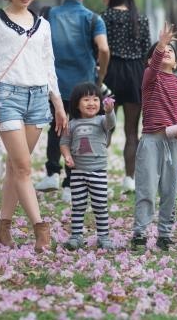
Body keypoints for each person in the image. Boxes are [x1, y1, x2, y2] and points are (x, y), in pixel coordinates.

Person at [0, 0, 67, 252]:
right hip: (7, 99)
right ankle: (41, 229)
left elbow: (49, 65)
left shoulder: (44, 25)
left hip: (38, 99)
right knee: (24, 167)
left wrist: (57, 102)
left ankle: (2, 229)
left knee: (15, 168)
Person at [34, 0, 109, 202]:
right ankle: (70, 184)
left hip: (53, 83)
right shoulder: (93, 18)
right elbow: (104, 49)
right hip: (83, 84)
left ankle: (52, 174)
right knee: (78, 131)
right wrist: (99, 78)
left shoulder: (47, 14)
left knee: (56, 127)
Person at [132, 21, 177, 251]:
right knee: (146, 189)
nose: (166, 52)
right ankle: (140, 233)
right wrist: (162, 43)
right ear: (150, 61)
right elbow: (155, 63)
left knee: (170, 190)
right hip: (150, 142)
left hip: (172, 143)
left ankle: (165, 234)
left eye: (170, 51)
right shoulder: (150, 78)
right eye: (161, 50)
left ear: (176, 63)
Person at [100, 0, 151, 194]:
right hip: (135, 75)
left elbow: (100, 49)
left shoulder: (103, 18)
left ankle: (98, 178)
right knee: (132, 131)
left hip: (110, 74)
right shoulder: (140, 19)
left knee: (104, 129)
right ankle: (130, 179)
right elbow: (147, 50)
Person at [60, 82, 117, 250]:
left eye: (95, 99)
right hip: (77, 172)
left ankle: (104, 237)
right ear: (77, 103)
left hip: (98, 172)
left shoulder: (101, 121)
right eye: (86, 99)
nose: (91, 103)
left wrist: (109, 112)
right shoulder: (72, 124)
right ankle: (76, 236)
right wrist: (67, 155)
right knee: (78, 205)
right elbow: (64, 143)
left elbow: (111, 124)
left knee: (100, 206)